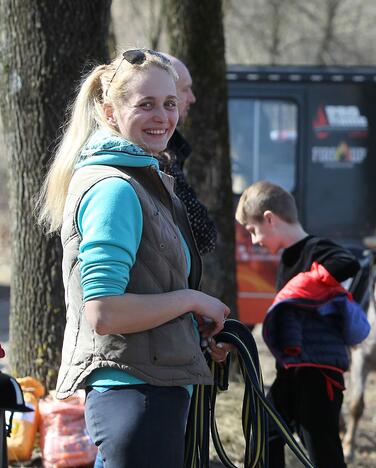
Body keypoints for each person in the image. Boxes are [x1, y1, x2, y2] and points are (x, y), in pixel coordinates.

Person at [38, 48, 230, 467]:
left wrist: (191, 331)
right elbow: (105, 311)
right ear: (109, 111)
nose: (162, 116)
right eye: (145, 105)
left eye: (169, 103)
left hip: (148, 391)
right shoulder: (117, 189)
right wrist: (193, 301)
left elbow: (148, 289)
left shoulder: (143, 181)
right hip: (136, 396)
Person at [235, 181, 368, 468]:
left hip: (320, 373)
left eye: (252, 230)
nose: (255, 241)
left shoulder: (317, 248)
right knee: (263, 430)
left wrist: (303, 285)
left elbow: (348, 263)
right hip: (291, 369)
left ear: (269, 219)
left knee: (322, 450)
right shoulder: (286, 258)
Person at [158, 53, 218, 255]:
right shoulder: (159, 158)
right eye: (185, 89)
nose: (192, 98)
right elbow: (202, 235)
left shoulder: (170, 151)